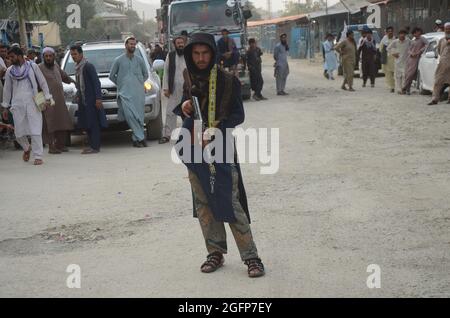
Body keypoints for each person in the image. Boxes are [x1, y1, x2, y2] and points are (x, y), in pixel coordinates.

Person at [174, 33, 265, 278]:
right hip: (194, 148)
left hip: (221, 147)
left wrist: (215, 129)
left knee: (230, 201)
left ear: (212, 54)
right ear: (190, 55)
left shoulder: (228, 80)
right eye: (196, 54)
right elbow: (186, 107)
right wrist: (184, 108)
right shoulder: (189, 77)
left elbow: (238, 115)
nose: (201, 58)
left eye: (205, 53)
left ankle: (251, 257)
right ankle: (215, 252)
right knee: (203, 202)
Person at [1, 46, 52, 165]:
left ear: (19, 56)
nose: (10, 59)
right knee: (18, 133)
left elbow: (42, 82)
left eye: (12, 57)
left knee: (35, 130)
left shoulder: (33, 67)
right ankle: (26, 148)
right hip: (17, 104)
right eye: (9, 57)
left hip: (33, 102)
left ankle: (38, 156)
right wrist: (5, 106)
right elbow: (7, 90)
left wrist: (48, 97)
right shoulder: (9, 71)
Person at [109, 37, 149, 148]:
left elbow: (145, 74)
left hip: (138, 94)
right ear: (126, 45)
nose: (132, 46)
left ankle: (136, 140)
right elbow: (111, 76)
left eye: (134, 44)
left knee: (139, 117)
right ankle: (141, 138)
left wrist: (138, 83)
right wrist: (122, 84)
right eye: (130, 44)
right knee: (130, 116)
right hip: (125, 94)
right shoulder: (118, 60)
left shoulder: (139, 60)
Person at [70, 45, 107, 154]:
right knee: (87, 124)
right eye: (72, 54)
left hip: (92, 100)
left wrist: (98, 98)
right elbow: (80, 85)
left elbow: (96, 83)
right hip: (83, 100)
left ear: (81, 54)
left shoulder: (88, 66)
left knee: (93, 124)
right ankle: (91, 146)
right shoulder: (78, 68)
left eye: (75, 54)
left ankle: (95, 147)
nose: (73, 56)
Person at [38, 47, 74, 154]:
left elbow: (65, 77)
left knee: (62, 122)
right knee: (49, 124)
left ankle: (60, 145)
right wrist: (39, 100)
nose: (48, 58)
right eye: (46, 56)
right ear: (43, 57)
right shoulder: (39, 67)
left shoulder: (56, 66)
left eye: (50, 56)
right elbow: (35, 84)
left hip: (60, 100)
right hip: (47, 101)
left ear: (54, 56)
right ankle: (51, 147)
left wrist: (74, 81)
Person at [159, 35, 187, 144]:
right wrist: (165, 88)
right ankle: (167, 135)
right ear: (174, 45)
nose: (180, 44)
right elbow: (166, 72)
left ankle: (188, 135)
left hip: (187, 90)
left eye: (182, 42)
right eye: (178, 43)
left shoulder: (189, 55)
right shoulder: (170, 56)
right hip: (173, 90)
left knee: (188, 113)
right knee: (170, 113)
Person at [428, 22, 450, 105]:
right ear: (444, 29)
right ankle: (435, 99)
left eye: (449, 28)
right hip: (443, 64)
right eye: (446, 28)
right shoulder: (441, 40)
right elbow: (439, 51)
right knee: (438, 81)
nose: (448, 30)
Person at [402, 28, 428, 95]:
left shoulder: (422, 38)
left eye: (418, 32)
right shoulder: (413, 40)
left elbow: (427, 45)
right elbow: (409, 49)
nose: (416, 33)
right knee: (407, 74)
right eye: (415, 32)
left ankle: (404, 87)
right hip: (410, 58)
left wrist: (419, 51)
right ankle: (407, 89)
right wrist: (411, 53)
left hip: (416, 58)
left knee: (411, 74)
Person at [388, 29, 412, 94]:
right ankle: (399, 89)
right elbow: (388, 48)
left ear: (405, 35)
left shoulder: (408, 41)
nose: (402, 35)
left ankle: (404, 89)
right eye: (401, 34)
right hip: (397, 62)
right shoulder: (395, 42)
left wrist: (411, 53)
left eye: (403, 34)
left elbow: (413, 46)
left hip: (406, 61)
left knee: (405, 76)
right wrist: (393, 53)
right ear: (398, 35)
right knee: (398, 76)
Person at [380, 26, 396, 93]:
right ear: (386, 32)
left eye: (391, 31)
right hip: (387, 59)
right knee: (388, 74)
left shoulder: (395, 39)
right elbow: (380, 49)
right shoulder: (384, 40)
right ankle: (392, 87)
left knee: (394, 73)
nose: (390, 33)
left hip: (394, 59)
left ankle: (395, 85)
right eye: (389, 31)